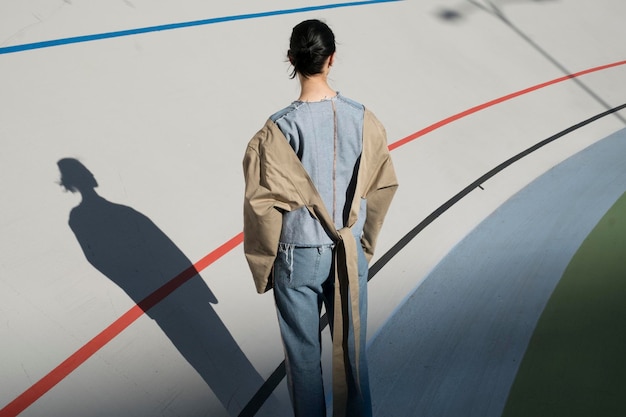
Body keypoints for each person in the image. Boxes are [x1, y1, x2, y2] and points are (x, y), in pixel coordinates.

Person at [243, 19, 398, 417]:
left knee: (303, 361)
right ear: (332, 58)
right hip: (347, 250)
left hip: (297, 254)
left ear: (292, 59)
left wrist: (264, 265)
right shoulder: (363, 119)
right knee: (352, 352)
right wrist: (361, 246)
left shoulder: (277, 129)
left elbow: (262, 204)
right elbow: (383, 186)